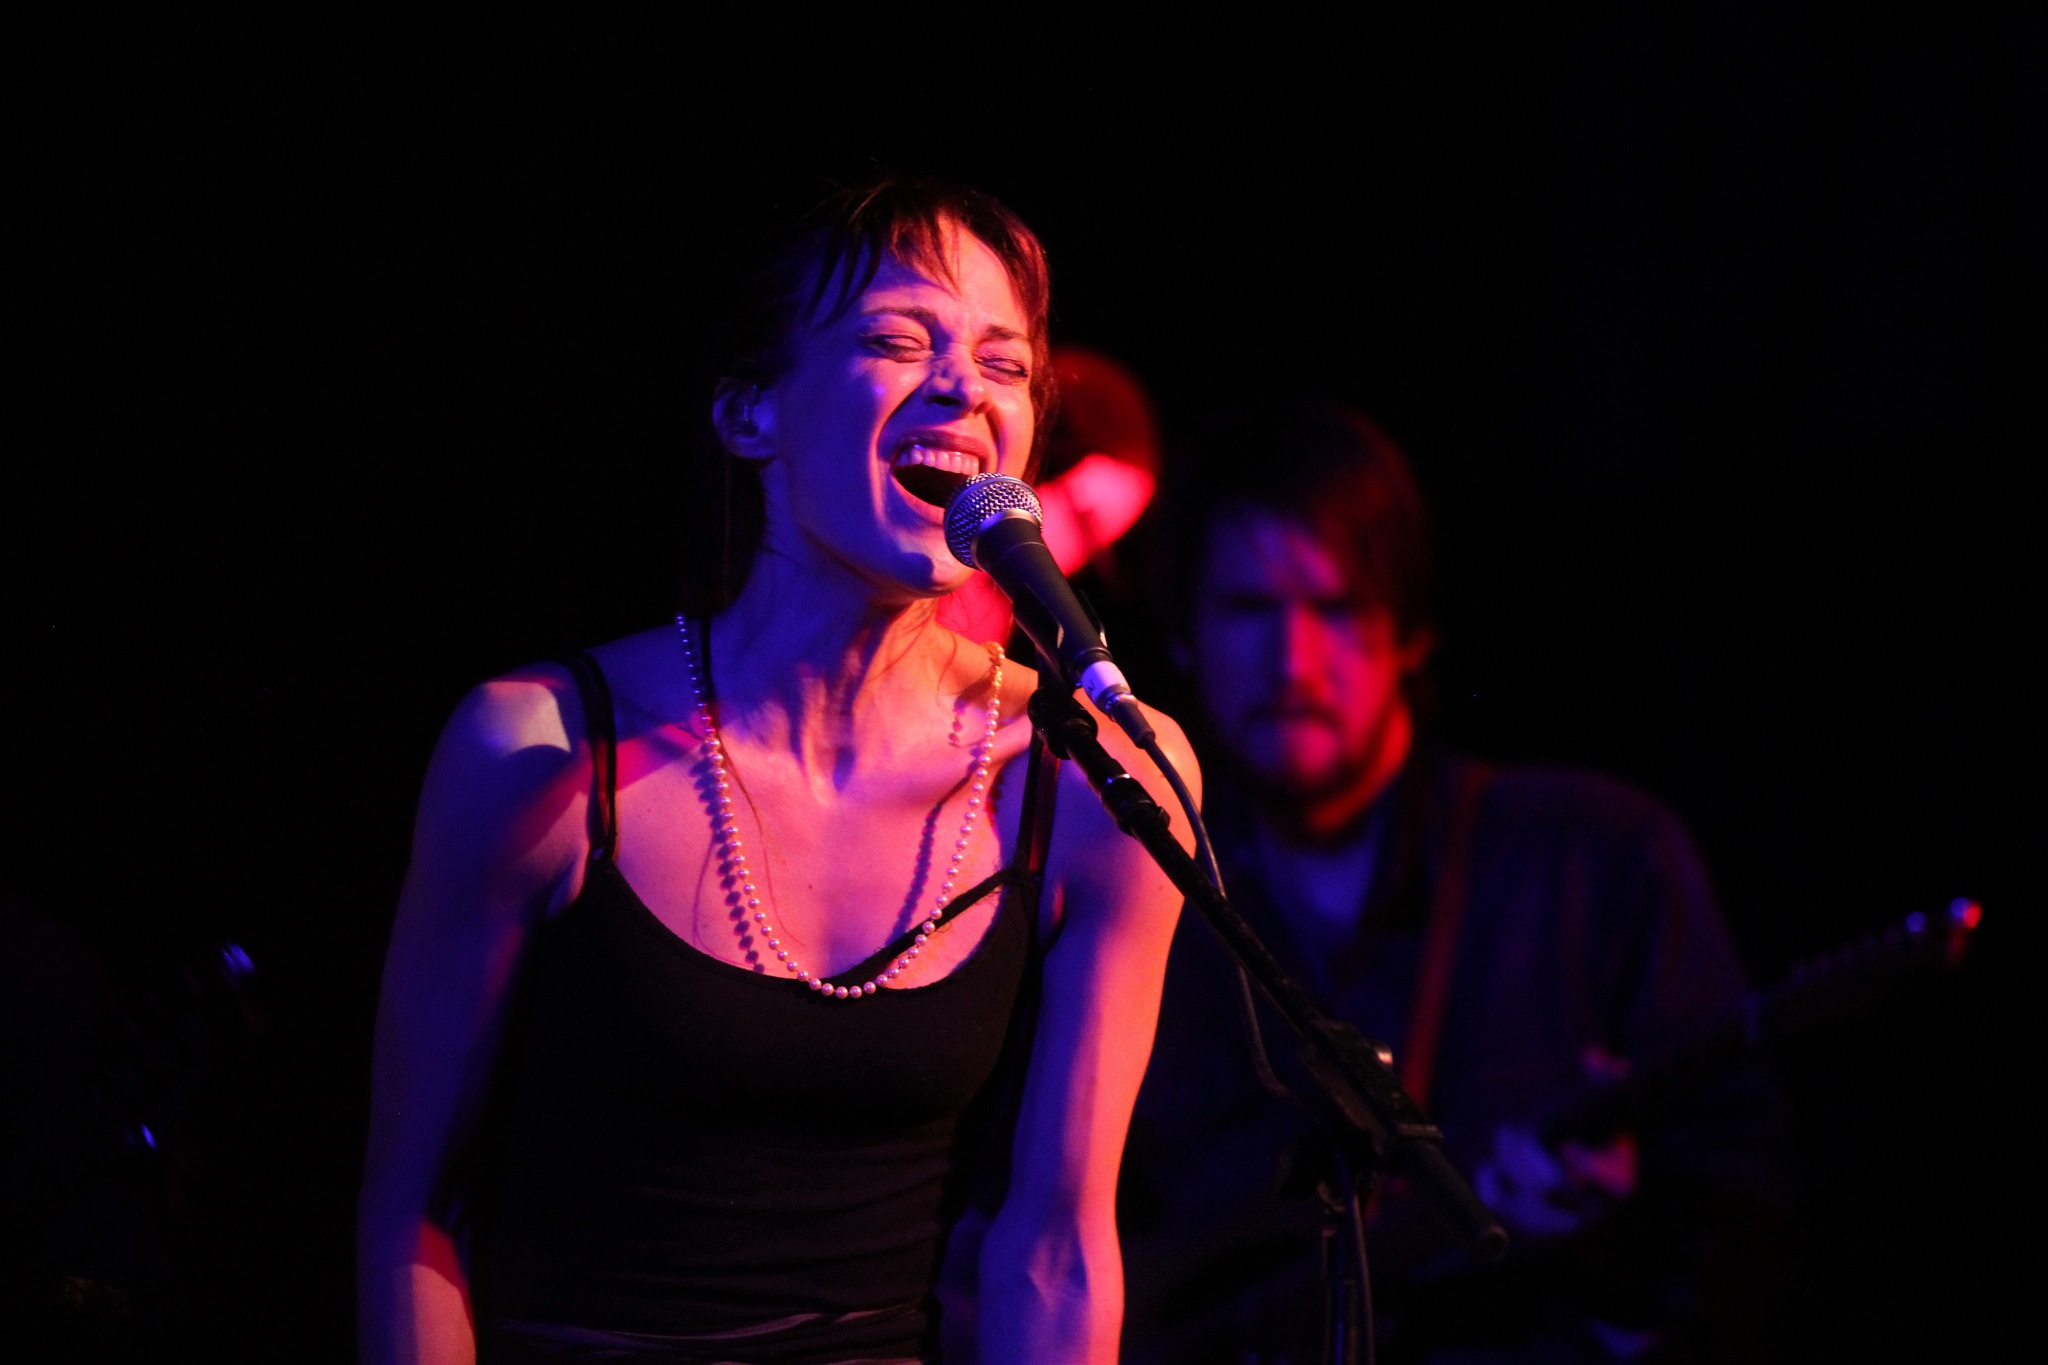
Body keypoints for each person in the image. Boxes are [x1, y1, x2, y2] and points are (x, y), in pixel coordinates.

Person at [356, 177, 1198, 1365]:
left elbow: (1054, 1249)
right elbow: (413, 1217)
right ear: (750, 415)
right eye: (897, 339)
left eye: (1004, 365)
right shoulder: (537, 751)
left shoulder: (1088, 777)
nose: (961, 386)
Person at [1117, 401, 1783, 1363]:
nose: (1292, 660)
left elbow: (1745, 1220)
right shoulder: (1139, 900)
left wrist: (1612, 1240)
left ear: (1412, 633)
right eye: (1248, 610)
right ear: (1182, 637)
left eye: (1337, 607)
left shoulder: (1598, 856)